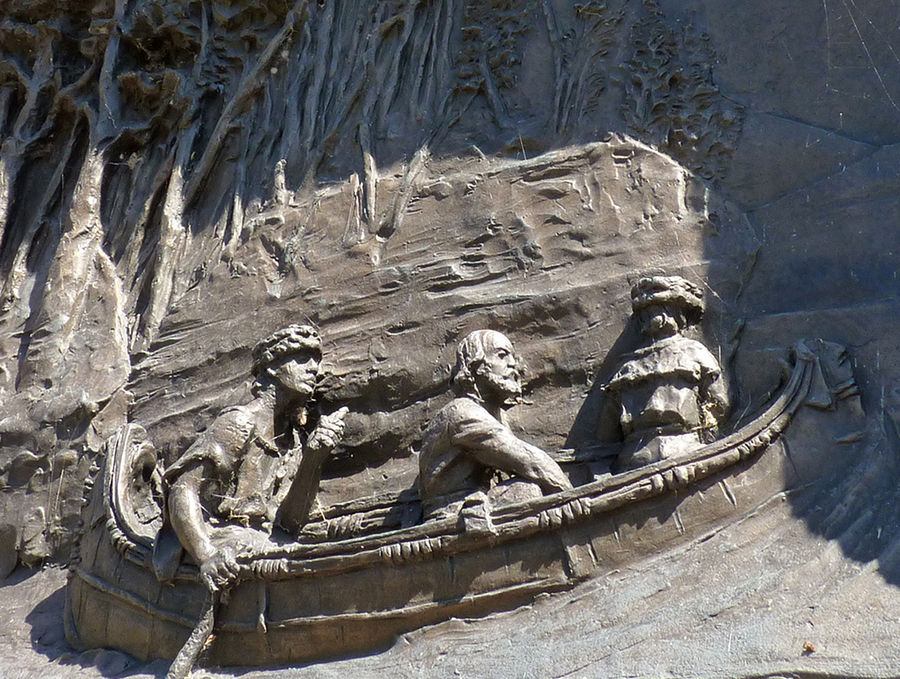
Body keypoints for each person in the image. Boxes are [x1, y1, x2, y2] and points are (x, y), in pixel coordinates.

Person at [165, 325, 347, 590]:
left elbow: (289, 523)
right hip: (229, 542)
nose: (313, 369)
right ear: (272, 367)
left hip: (265, 544)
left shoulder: (293, 441)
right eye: (301, 359)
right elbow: (183, 490)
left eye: (315, 363)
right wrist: (205, 555)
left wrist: (313, 457)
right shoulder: (239, 423)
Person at [419, 330, 571, 521]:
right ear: (475, 365)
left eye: (513, 357)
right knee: (525, 491)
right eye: (502, 355)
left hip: (479, 504)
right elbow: (529, 461)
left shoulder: (497, 415)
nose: (513, 364)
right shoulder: (462, 413)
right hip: (451, 514)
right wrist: (572, 497)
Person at [599, 276, 729, 472]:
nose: (653, 315)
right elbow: (607, 429)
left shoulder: (694, 352)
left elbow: (718, 405)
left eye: (660, 308)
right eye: (648, 311)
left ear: (677, 313)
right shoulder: (627, 365)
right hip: (635, 460)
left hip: (685, 450)